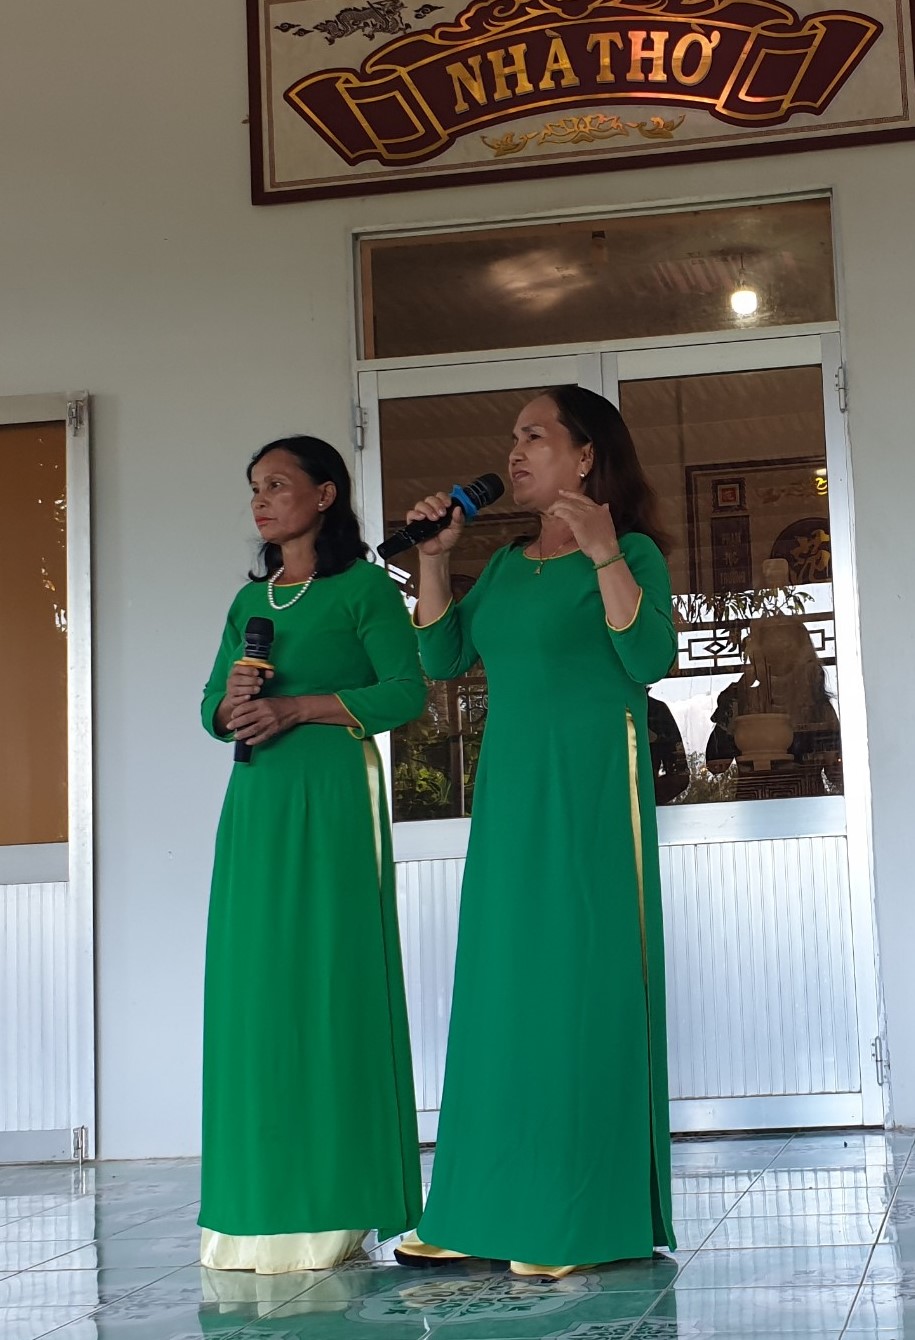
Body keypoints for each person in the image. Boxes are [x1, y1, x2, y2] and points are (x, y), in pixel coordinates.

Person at [394, 386, 678, 1278]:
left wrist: (604, 554)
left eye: (534, 436)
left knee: (576, 990)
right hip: (510, 800)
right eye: (511, 439)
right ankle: (473, 1210)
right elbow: (440, 658)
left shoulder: (630, 552)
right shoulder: (509, 565)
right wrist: (435, 560)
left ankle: (575, 1217)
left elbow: (649, 659)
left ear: (585, 456)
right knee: (499, 992)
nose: (514, 453)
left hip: (591, 795)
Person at [199, 435, 426, 1274]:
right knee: (256, 991)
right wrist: (233, 702)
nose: (260, 501)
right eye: (254, 487)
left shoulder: (364, 588)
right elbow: (209, 709)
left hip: (332, 798)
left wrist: (298, 708)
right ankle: (254, 1202)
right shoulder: (248, 603)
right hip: (255, 802)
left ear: (325, 494)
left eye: (277, 484)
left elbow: (404, 692)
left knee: (329, 980)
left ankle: (335, 1201)